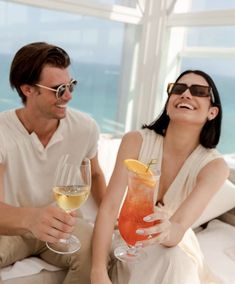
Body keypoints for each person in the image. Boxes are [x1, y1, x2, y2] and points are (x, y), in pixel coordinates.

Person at [91, 70, 229, 284]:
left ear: (212, 112)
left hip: (174, 246)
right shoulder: (135, 141)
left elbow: (179, 228)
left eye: (199, 91)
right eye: (178, 89)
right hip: (128, 240)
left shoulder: (214, 167)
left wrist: (165, 232)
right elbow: (109, 207)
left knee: (172, 260)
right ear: (168, 102)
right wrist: (98, 271)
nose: (186, 94)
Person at [0, 42, 106, 284]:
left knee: (97, 251)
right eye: (58, 90)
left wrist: (111, 219)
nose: (68, 96)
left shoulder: (85, 127)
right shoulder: (2, 132)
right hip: (11, 227)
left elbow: (96, 175)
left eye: (71, 86)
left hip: (64, 225)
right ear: (27, 89)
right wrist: (32, 220)